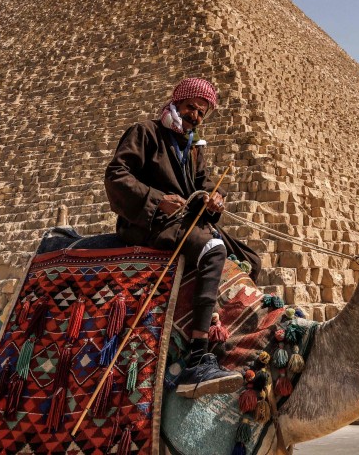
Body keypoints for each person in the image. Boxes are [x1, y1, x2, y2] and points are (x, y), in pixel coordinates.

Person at [105, 78, 259, 398]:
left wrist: (213, 202)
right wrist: (156, 199)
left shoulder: (193, 149)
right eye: (191, 107)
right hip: (149, 223)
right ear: (177, 102)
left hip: (185, 222)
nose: (195, 116)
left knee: (248, 259)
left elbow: (203, 189)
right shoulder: (146, 133)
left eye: (202, 113)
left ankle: (229, 344)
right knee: (214, 249)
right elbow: (117, 176)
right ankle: (197, 356)